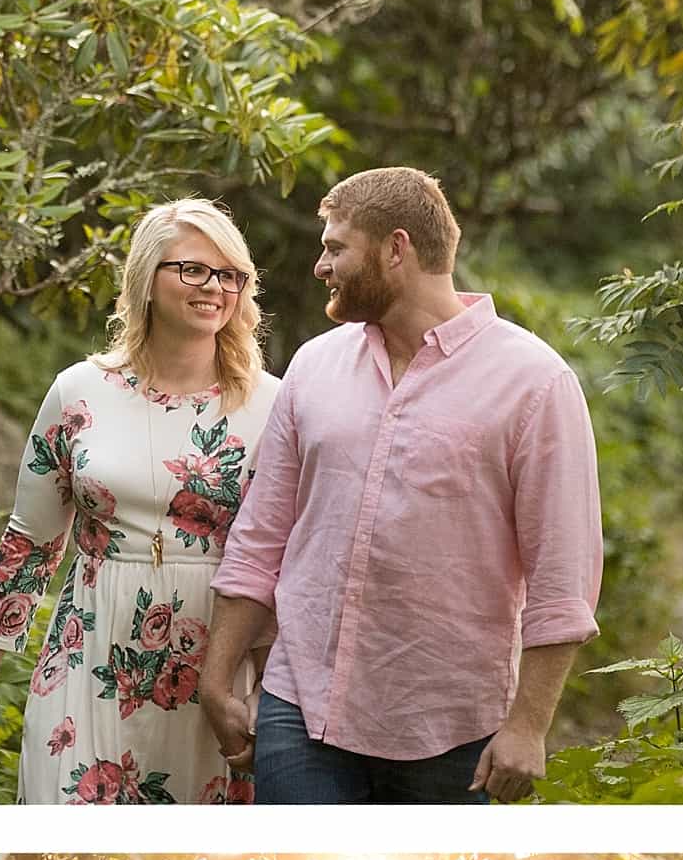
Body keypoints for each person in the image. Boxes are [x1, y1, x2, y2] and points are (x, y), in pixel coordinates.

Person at [199, 166, 602, 804]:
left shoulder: (534, 382)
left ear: (396, 248)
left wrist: (528, 726)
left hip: (452, 734)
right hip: (301, 709)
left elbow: (563, 575)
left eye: (336, 247)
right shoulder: (314, 365)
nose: (319, 266)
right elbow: (262, 535)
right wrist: (216, 681)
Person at [0, 201, 283, 804]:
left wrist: (268, 688)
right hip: (89, 646)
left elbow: (282, 560)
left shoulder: (273, 405)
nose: (215, 288)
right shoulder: (79, 392)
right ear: (146, 279)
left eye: (230, 275)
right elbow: (30, 543)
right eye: (194, 270)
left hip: (219, 664)